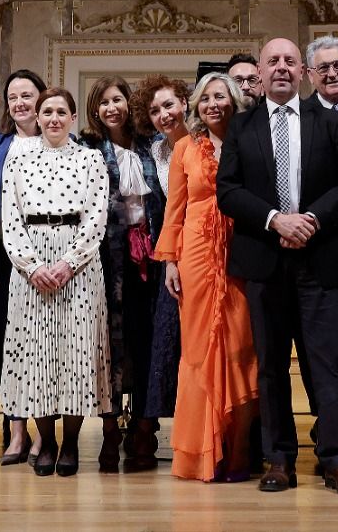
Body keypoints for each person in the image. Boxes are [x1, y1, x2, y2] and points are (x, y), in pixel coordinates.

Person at [217, 37, 338, 496]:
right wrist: (274, 220)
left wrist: (311, 219)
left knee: (328, 365)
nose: (281, 68)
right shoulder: (241, 127)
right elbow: (228, 190)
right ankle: (278, 458)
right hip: (265, 262)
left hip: (321, 259)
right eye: (272, 62)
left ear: (302, 71)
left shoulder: (332, 123)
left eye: (289, 61)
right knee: (270, 368)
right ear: (258, 75)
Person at [0, 87, 113, 477]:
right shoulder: (18, 160)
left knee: (76, 356)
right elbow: (9, 219)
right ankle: (44, 441)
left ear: (72, 117)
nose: (52, 118)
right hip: (30, 265)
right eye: (46, 111)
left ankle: (69, 444)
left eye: (61, 111)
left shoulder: (90, 158)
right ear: (37, 115)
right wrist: (32, 267)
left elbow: (97, 218)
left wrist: (68, 263)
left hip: (78, 265)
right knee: (38, 356)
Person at [153, 72, 259, 481]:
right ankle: (203, 453)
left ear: (234, 100)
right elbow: (174, 209)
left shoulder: (249, 142)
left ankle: (240, 449)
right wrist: (170, 262)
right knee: (198, 352)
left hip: (242, 251)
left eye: (221, 96)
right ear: (196, 105)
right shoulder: (184, 148)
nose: (213, 103)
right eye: (206, 98)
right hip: (195, 256)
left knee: (240, 351)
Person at [82, 76, 164, 472]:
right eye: (104, 102)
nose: (112, 107)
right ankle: (111, 427)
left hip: (151, 259)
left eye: (118, 99)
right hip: (107, 261)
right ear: (95, 111)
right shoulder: (90, 149)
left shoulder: (151, 146)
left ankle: (145, 427)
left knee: (148, 340)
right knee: (111, 345)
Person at [0, 69, 47, 464]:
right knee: (7, 347)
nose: (21, 102)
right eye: (14, 96)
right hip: (4, 258)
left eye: (28, 95)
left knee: (42, 347)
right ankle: (11, 429)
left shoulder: (59, 140)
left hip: (49, 260)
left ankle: (43, 433)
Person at [133, 75, 193, 432]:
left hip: (203, 247)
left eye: (169, 105)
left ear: (184, 102)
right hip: (171, 253)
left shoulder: (204, 142)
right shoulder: (156, 150)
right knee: (171, 341)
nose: (164, 115)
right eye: (155, 111)